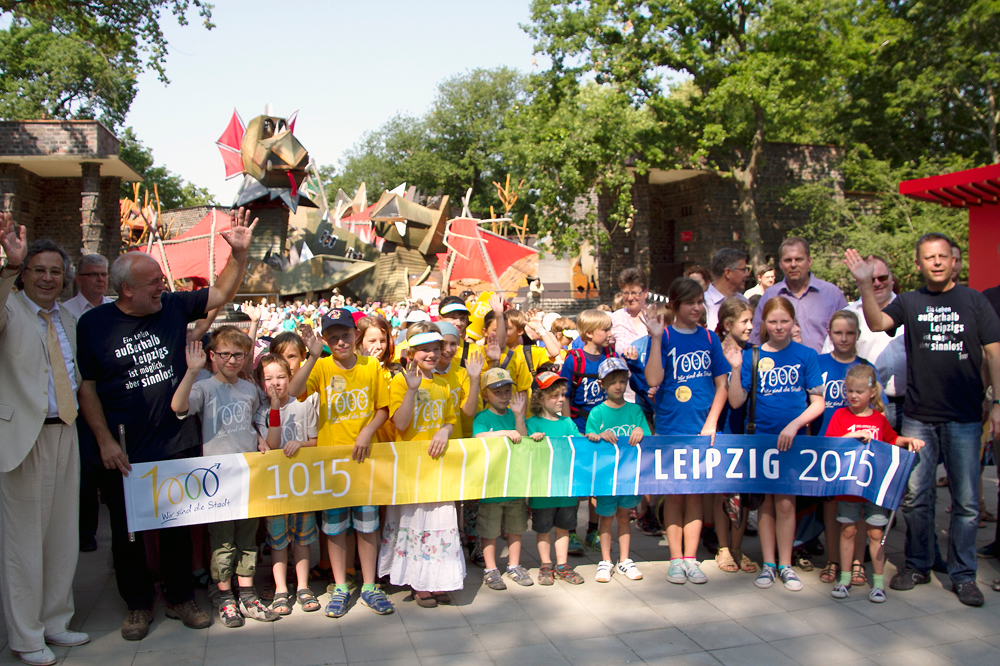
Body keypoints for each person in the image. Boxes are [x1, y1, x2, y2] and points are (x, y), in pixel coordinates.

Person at [77, 208, 256, 641]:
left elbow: (220, 296)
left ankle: (180, 597)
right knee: (129, 533)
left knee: (178, 527)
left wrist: (239, 254)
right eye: (153, 281)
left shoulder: (173, 306)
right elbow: (87, 389)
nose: (163, 285)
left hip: (177, 443)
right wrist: (104, 442)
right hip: (124, 449)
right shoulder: (93, 324)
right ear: (127, 290)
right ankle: (137, 605)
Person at [845, 235, 1000, 606]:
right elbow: (878, 320)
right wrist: (866, 284)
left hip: (963, 417)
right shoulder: (911, 302)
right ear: (918, 265)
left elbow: (994, 353)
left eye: (942, 256)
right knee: (916, 498)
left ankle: (963, 575)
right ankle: (917, 564)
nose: (936, 262)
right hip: (918, 417)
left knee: (965, 502)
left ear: (954, 262)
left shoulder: (975, 301)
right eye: (928, 257)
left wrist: (998, 403)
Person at [0, 223, 90, 666]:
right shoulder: (10, 308)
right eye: (38, 270)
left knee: (61, 536)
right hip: (23, 438)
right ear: (23, 274)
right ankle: (25, 634)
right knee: (23, 543)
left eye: (56, 271)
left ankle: (55, 619)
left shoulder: (68, 319)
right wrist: (9, 264)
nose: (48, 278)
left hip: (65, 431)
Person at [286, 308, 394, 618]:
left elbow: (381, 410)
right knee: (334, 528)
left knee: (367, 525)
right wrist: (311, 356)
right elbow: (294, 392)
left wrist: (366, 433)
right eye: (333, 337)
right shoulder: (320, 367)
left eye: (345, 335)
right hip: (333, 463)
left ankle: (370, 586)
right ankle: (341, 585)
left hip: (364, 460)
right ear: (325, 339)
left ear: (356, 334)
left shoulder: (371, 366)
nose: (341, 342)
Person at [171, 328, 279, 628]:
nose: (232, 360)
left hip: (247, 473)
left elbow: (255, 418)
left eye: (238, 355)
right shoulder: (204, 387)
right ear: (213, 356)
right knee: (222, 541)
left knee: (247, 537)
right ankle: (224, 596)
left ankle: (247, 592)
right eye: (225, 354)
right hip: (217, 478)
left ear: (246, 357)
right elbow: (178, 406)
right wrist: (192, 372)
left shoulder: (248, 389)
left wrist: (259, 436)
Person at [726, 296, 825, 592]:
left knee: (786, 503)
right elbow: (736, 400)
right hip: (760, 439)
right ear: (763, 324)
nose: (779, 327)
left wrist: (795, 425)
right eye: (773, 322)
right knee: (765, 505)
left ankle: (786, 564)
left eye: (785, 321)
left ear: (793, 322)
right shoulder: (753, 356)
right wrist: (734, 368)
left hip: (791, 441)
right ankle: (769, 564)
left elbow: (817, 401)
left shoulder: (806, 355)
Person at [645, 278, 730, 585]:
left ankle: (691, 559)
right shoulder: (664, 335)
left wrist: (712, 422)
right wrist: (655, 339)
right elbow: (653, 378)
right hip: (670, 427)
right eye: (690, 303)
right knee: (674, 495)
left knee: (695, 493)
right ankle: (675, 558)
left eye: (699, 302)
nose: (696, 308)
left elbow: (723, 384)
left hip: (701, 429)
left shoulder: (709, 338)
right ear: (675, 304)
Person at [378, 323, 466, 607]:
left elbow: (450, 420)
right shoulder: (401, 382)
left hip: (439, 467)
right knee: (415, 522)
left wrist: (445, 431)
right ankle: (419, 583)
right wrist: (412, 391)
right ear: (412, 353)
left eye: (436, 350)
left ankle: (439, 580)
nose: (431, 355)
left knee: (440, 522)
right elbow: (400, 423)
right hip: (411, 469)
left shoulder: (443, 384)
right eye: (425, 350)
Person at [826, 364, 925, 603]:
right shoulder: (840, 415)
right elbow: (828, 444)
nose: (853, 396)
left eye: (859, 391)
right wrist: (848, 437)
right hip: (849, 489)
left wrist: (909, 440)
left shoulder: (879, 419)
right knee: (848, 530)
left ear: (872, 393)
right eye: (849, 390)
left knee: (875, 533)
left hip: (873, 490)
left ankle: (878, 583)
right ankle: (845, 578)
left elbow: (892, 439)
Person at [253, 353, 320, 616]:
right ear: (260, 383)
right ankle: (281, 588)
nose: (275, 383)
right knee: (278, 541)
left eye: (281, 377)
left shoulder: (303, 404)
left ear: (290, 377)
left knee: (302, 539)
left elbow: (314, 440)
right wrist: (274, 408)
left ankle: (303, 586)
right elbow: (271, 443)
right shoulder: (261, 412)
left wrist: (300, 444)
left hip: (302, 487)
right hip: (275, 489)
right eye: (268, 378)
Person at [820, 255, 906, 430]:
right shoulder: (850, 315)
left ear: (891, 278)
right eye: (870, 279)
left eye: (882, 278)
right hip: (866, 406)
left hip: (909, 404)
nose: (877, 283)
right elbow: (830, 359)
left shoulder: (909, 308)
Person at [815, 311, 869, 586]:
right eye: (838, 333)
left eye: (850, 333)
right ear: (829, 334)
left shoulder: (865, 367)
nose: (844, 338)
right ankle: (833, 559)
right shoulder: (819, 363)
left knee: (856, 509)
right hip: (827, 448)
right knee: (831, 509)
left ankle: (857, 562)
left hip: (858, 454)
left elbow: (877, 409)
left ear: (858, 334)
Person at [586, 357, 649, 583]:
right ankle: (605, 561)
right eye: (613, 382)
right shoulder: (597, 413)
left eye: (622, 381)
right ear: (602, 384)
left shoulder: (635, 410)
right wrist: (599, 435)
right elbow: (590, 437)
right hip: (606, 477)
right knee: (605, 518)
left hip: (629, 476)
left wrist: (641, 431)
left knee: (624, 516)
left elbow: (647, 436)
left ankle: (624, 560)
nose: (618, 386)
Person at [473, 368, 533, 590]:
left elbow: (524, 438)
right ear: (485, 394)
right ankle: (490, 569)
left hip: (515, 482)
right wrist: (504, 433)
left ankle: (514, 565)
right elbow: (479, 437)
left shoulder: (514, 415)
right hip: (492, 484)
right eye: (497, 391)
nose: (504, 395)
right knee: (489, 529)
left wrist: (518, 416)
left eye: (507, 391)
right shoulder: (483, 417)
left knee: (516, 526)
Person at [525, 370, 585, 585]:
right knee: (542, 529)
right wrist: (531, 439)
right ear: (540, 398)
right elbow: (523, 445)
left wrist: (592, 437)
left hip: (566, 486)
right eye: (554, 396)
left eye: (562, 395)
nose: (561, 399)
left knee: (564, 527)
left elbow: (580, 442)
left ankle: (562, 564)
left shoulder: (568, 423)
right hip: (542, 486)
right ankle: (545, 565)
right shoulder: (532, 423)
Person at [712, 297, 758, 574]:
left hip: (747, 430)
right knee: (722, 492)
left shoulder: (755, 353)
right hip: (724, 429)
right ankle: (722, 546)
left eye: (752, 320)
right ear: (728, 325)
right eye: (745, 321)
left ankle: (738, 546)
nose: (751, 326)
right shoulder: (716, 352)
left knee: (743, 493)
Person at [750, 237, 847, 352]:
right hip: (783, 367)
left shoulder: (832, 294)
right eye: (788, 260)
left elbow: (849, 336)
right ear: (780, 264)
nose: (793, 265)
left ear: (809, 261)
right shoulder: (770, 296)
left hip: (823, 366)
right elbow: (756, 340)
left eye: (799, 259)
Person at [705, 248, 749, 332]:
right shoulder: (702, 303)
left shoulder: (743, 301)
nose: (746, 274)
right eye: (743, 270)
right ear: (728, 273)